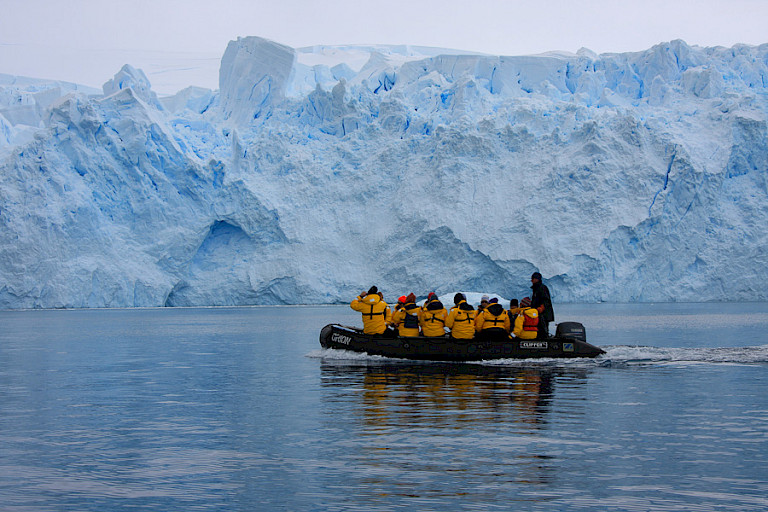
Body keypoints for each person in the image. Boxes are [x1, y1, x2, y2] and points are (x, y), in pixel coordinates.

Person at [530, 272, 554, 339]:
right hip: (538, 313)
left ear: (537, 279)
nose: (531, 280)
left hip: (543, 314)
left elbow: (546, 299)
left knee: (543, 328)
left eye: (533, 279)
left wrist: (542, 307)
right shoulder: (536, 288)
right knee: (539, 329)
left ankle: (544, 339)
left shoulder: (542, 288)